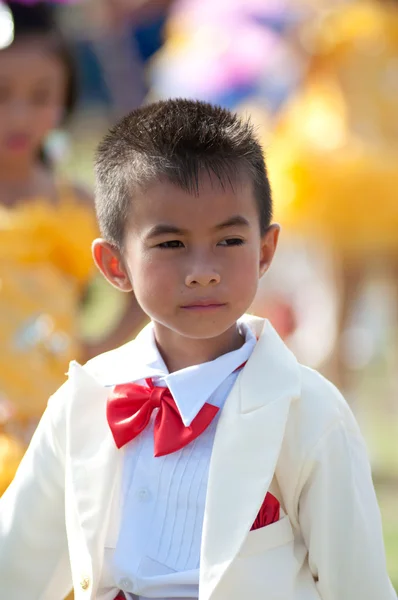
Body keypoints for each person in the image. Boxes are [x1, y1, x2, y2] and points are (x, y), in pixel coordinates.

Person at [0, 99, 395, 600]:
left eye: (229, 241)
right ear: (114, 264)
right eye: (170, 244)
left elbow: (356, 586)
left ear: (265, 251)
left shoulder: (308, 412)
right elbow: (14, 570)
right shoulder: (84, 402)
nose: (203, 269)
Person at [0, 1, 146, 496]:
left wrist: (102, 346)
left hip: (51, 410)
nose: (19, 115)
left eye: (41, 96)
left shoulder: (77, 205)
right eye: (1, 95)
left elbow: (144, 277)